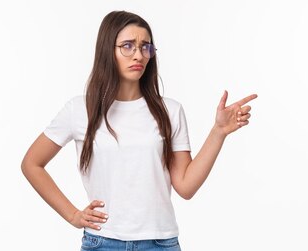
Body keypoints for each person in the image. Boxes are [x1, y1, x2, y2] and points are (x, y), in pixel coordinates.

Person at [20, 10, 257, 251]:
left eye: (146, 47)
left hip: (159, 243)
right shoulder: (80, 109)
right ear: (107, 50)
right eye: (128, 46)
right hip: (102, 242)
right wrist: (72, 215)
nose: (139, 55)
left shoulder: (170, 111)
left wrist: (218, 132)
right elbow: (31, 163)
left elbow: (186, 186)